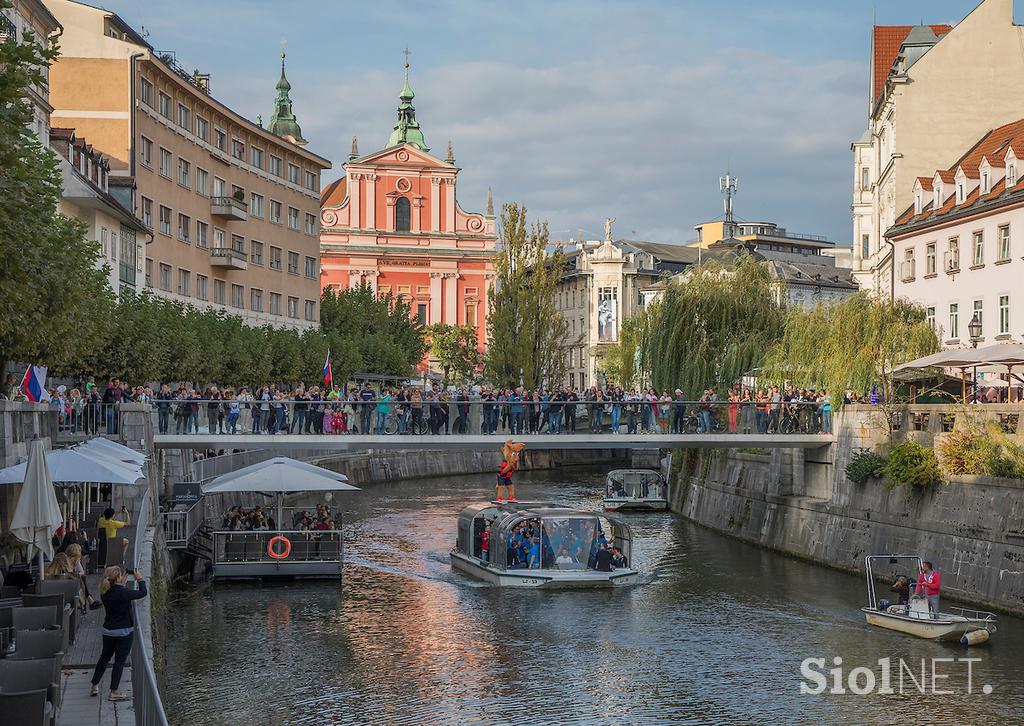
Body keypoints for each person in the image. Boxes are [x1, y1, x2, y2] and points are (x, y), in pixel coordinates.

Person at [90, 565, 148, 701]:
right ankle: (114, 691)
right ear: (118, 578)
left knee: (104, 658)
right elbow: (142, 592)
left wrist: (122, 584)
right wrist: (140, 579)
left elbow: (118, 592)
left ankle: (94, 685)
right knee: (119, 661)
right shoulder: (124, 593)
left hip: (108, 631)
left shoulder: (105, 592)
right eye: (122, 575)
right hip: (124, 632)